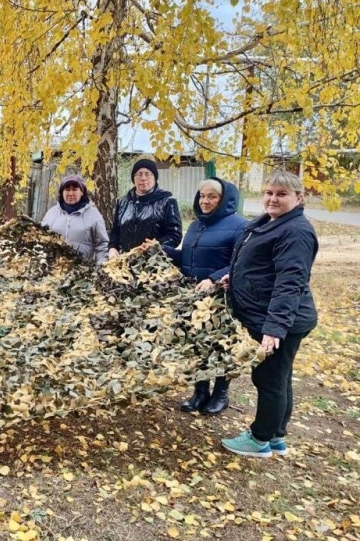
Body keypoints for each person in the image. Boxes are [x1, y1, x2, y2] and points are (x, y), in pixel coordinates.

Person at [220, 171, 318, 458]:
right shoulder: (267, 223)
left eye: (282, 194)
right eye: (269, 192)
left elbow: (290, 281)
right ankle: (276, 436)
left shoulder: (296, 231)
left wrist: (274, 328)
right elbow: (259, 267)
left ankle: (260, 438)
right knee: (280, 377)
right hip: (272, 314)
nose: (273, 198)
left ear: (299, 198)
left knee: (269, 379)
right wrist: (233, 279)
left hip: (280, 319)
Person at [165, 178, 247, 415]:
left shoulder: (240, 226)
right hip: (195, 297)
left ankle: (221, 393)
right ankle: (200, 391)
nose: (205, 200)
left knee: (221, 346)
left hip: (221, 298)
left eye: (212, 196)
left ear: (224, 199)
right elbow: (187, 258)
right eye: (202, 196)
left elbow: (241, 263)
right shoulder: (195, 225)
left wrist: (213, 278)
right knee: (198, 345)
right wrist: (163, 250)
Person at [108, 158, 182, 258]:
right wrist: (112, 248)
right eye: (139, 174)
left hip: (153, 263)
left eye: (147, 174)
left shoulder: (167, 201)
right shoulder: (122, 202)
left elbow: (174, 235)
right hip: (124, 262)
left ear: (155, 178)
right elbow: (116, 232)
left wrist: (155, 246)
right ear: (133, 178)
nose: (143, 178)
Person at [41, 174, 109, 264]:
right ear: (61, 192)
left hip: (82, 271)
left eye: (74, 189)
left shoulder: (93, 214)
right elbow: (41, 239)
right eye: (67, 189)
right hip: (53, 269)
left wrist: (101, 267)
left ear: (82, 192)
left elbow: (102, 245)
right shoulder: (52, 213)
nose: (70, 193)